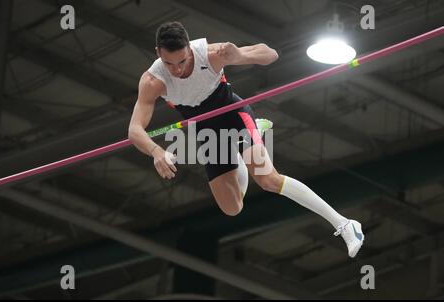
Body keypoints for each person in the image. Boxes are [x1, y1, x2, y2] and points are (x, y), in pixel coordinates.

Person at [128, 21, 364, 257]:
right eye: (169, 63)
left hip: (233, 114)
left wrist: (238, 55)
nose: (177, 70)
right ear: (158, 53)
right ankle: (242, 151)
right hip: (207, 132)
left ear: (189, 49)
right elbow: (135, 130)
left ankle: (344, 224)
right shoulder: (152, 81)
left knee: (267, 179)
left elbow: (270, 54)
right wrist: (156, 151)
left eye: (181, 61)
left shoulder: (209, 54)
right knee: (232, 208)